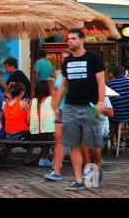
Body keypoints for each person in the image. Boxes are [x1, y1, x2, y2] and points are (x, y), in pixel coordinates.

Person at [52, 29, 106, 191]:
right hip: (70, 107)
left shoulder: (93, 58)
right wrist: (56, 104)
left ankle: (96, 165)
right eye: (68, 39)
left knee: (92, 144)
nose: (70, 41)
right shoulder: (67, 62)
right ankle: (78, 179)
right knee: (74, 143)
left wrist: (100, 102)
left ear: (82, 40)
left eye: (73, 38)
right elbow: (64, 84)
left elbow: (101, 81)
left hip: (89, 106)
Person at [44, 49, 72, 182]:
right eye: (62, 57)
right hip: (60, 109)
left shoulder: (75, 73)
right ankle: (56, 170)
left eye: (66, 57)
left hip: (73, 108)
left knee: (77, 141)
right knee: (58, 139)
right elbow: (55, 90)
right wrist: (54, 106)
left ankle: (88, 167)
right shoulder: (58, 73)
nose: (63, 60)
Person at [106, 66, 129, 153]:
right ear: (125, 73)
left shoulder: (109, 84)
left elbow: (107, 100)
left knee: (111, 120)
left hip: (118, 114)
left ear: (114, 75)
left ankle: (113, 144)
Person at [81, 96, 114, 180]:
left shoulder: (102, 95)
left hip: (100, 124)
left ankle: (97, 165)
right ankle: (87, 167)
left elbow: (110, 113)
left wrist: (97, 108)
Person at [26, 80, 56, 167]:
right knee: (57, 138)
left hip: (34, 134)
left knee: (47, 138)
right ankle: (56, 160)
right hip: (49, 134)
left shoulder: (32, 102)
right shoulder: (52, 99)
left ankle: (43, 160)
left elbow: (28, 120)